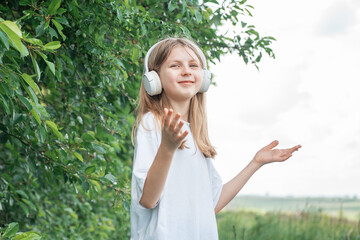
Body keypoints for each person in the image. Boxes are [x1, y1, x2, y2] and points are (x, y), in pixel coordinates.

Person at [130, 37, 301, 240]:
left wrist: (256, 163)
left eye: (193, 65)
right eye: (175, 65)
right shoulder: (153, 124)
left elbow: (213, 203)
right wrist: (167, 148)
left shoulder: (195, 134)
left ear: (203, 78)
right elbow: (148, 199)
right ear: (154, 79)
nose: (186, 71)